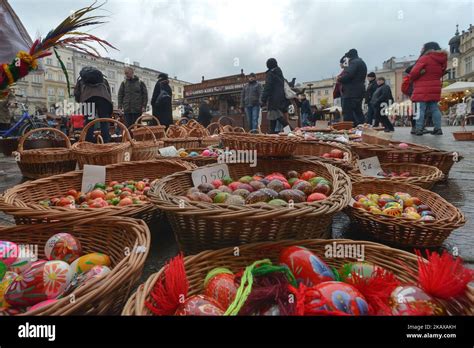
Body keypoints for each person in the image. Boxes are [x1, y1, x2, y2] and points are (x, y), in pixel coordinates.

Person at [410, 42, 448, 136]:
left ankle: (419, 129)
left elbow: (413, 73)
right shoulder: (442, 59)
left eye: (423, 48)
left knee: (420, 109)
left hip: (422, 87)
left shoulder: (425, 58)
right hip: (435, 86)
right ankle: (438, 128)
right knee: (435, 108)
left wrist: (421, 73)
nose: (421, 50)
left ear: (427, 49)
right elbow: (442, 72)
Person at [74, 66, 113, 143]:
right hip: (103, 98)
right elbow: (108, 92)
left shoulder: (81, 81)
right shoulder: (103, 80)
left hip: (88, 99)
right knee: (104, 120)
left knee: (89, 121)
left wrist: (80, 101)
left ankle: (88, 142)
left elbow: (77, 93)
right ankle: (106, 142)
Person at [337, 49, 367, 126]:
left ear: (349, 57)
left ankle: (350, 132)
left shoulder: (353, 63)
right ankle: (362, 131)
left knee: (348, 114)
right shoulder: (362, 62)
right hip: (358, 92)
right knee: (358, 112)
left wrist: (339, 78)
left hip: (350, 92)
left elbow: (348, 75)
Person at [261, 58, 291, 134]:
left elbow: (268, 87)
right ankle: (272, 132)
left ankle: (290, 131)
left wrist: (263, 99)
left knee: (279, 118)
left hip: (273, 99)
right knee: (273, 117)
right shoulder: (279, 73)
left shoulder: (270, 74)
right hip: (280, 98)